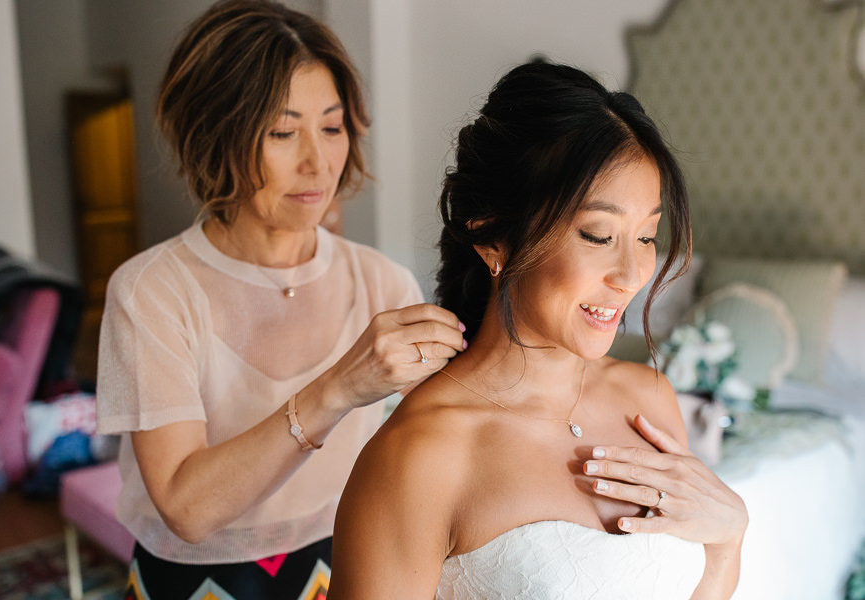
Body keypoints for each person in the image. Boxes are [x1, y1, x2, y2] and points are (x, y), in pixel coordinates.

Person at [328, 61, 748, 599]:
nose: (629, 277)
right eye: (598, 235)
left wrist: (728, 543)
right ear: (492, 238)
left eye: (646, 236)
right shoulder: (421, 453)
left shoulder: (650, 402)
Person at [94, 1, 466, 598]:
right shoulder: (151, 292)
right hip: (197, 580)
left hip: (351, 561)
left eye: (333, 126)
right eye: (282, 132)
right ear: (217, 135)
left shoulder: (383, 283)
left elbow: (453, 444)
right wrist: (338, 388)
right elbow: (186, 509)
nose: (317, 162)